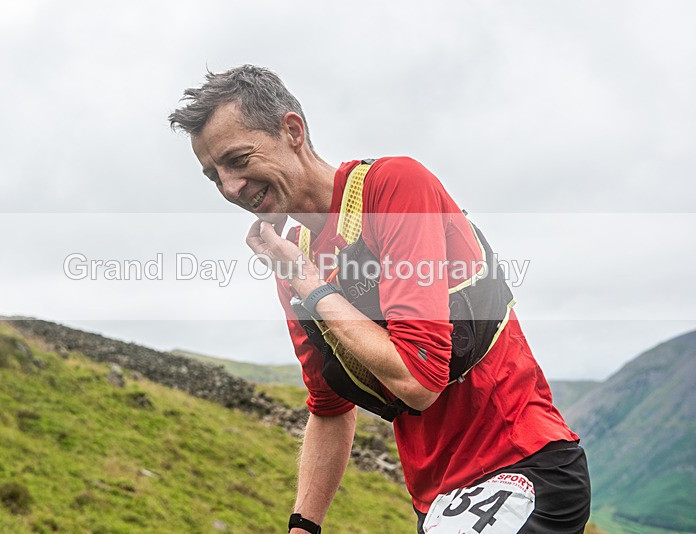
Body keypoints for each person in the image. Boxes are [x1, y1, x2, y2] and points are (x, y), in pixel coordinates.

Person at [169, 65, 591, 534]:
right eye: (213, 176)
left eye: (239, 159)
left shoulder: (393, 188)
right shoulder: (295, 259)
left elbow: (419, 378)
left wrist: (310, 284)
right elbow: (328, 409)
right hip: (438, 503)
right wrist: (303, 526)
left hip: (524, 465)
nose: (230, 188)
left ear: (292, 131)